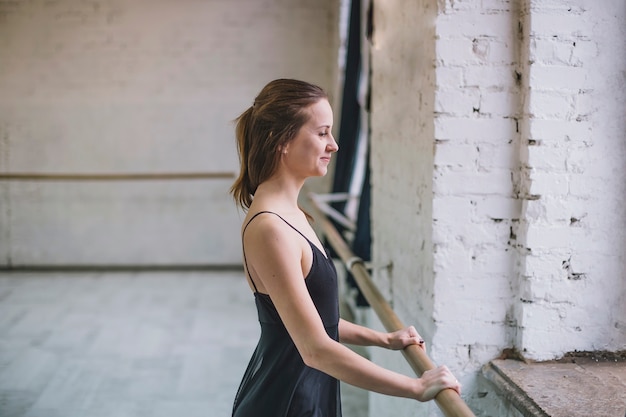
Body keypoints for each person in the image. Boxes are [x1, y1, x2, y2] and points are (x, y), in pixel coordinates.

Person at [230, 78, 461, 417]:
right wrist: (416, 387)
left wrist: (384, 339)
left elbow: (317, 320)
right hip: (287, 400)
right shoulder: (270, 227)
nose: (334, 145)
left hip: (306, 390)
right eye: (322, 133)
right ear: (279, 140)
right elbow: (315, 348)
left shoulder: (291, 213)